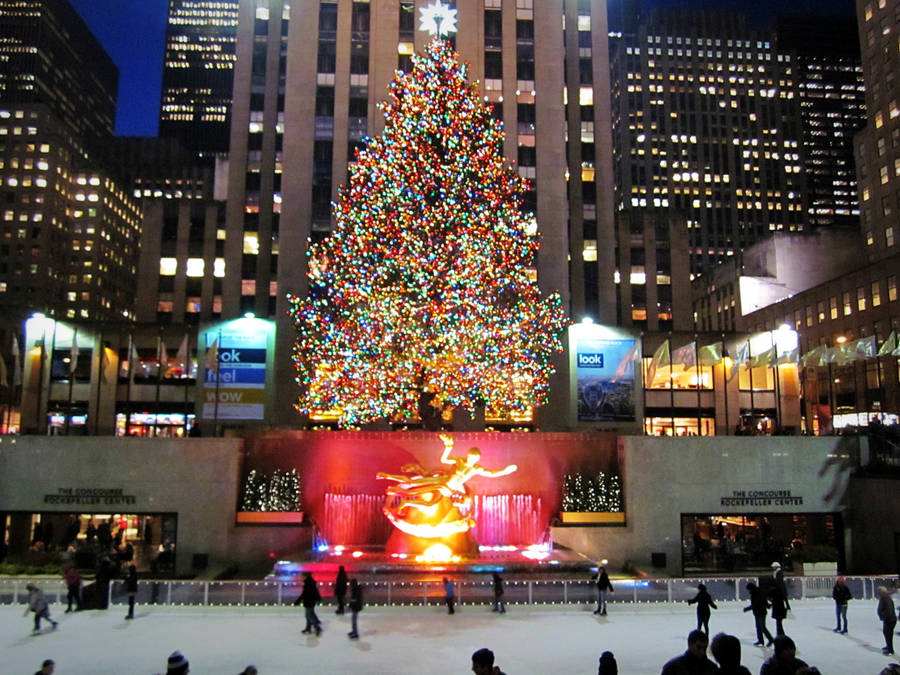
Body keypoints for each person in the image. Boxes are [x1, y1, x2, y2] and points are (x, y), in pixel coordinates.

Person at [743, 582, 773, 647]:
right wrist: (767, 605)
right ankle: (760, 640)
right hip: (758, 612)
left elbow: (755, 604)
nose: (748, 591)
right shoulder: (758, 592)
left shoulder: (755, 594)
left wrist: (747, 609)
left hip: (760, 612)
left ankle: (770, 639)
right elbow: (764, 601)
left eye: (749, 590)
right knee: (758, 627)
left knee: (762, 627)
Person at [877, 585, 897, 654]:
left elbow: (888, 610)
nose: (878, 593)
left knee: (888, 634)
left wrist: (884, 617)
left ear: (882, 591)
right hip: (889, 618)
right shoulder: (885, 597)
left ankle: (890, 650)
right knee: (887, 633)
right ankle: (888, 646)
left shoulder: (885, 598)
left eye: (878, 591)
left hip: (889, 619)